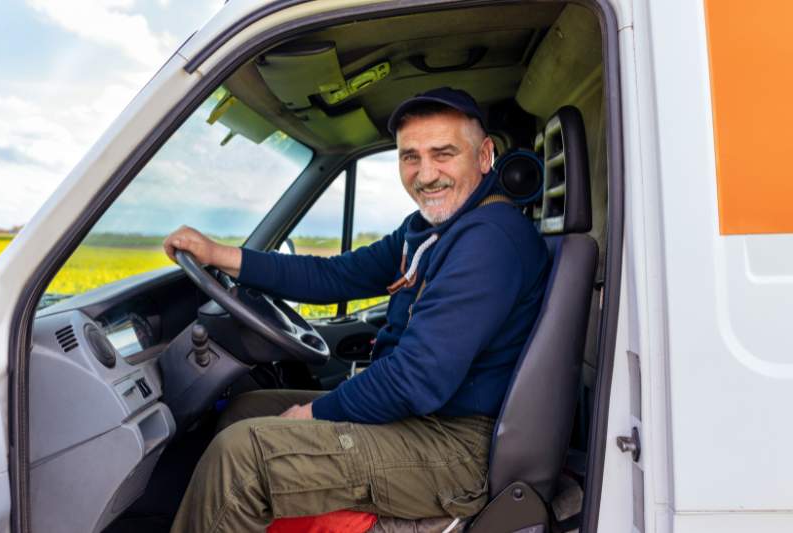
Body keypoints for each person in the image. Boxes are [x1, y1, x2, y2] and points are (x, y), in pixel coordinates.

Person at [165, 87, 549, 533]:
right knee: (248, 410)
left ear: (484, 156)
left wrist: (315, 413)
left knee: (242, 458)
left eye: (443, 154)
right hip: (424, 421)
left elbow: (416, 378)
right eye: (410, 157)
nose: (426, 174)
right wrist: (220, 253)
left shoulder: (488, 241)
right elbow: (337, 277)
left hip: (457, 448)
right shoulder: (431, 229)